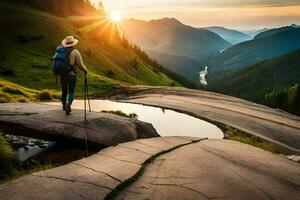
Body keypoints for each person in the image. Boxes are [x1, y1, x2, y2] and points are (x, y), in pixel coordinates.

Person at [54, 36, 88, 115]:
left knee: (64, 91)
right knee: (71, 91)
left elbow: (55, 60)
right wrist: (85, 70)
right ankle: (68, 104)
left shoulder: (59, 51)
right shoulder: (75, 51)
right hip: (71, 75)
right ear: (73, 43)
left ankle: (63, 105)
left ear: (65, 43)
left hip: (62, 75)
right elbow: (80, 65)